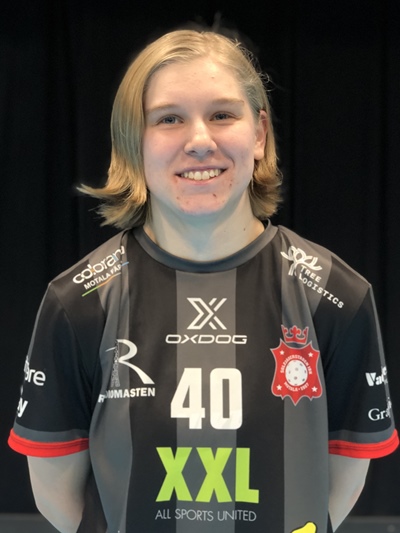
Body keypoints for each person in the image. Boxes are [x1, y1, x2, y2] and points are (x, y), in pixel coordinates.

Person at [9, 28, 398, 533]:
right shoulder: (78, 301)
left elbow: (338, 483)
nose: (199, 141)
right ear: (133, 141)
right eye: (168, 119)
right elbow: (56, 495)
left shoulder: (337, 295)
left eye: (222, 115)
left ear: (259, 134)